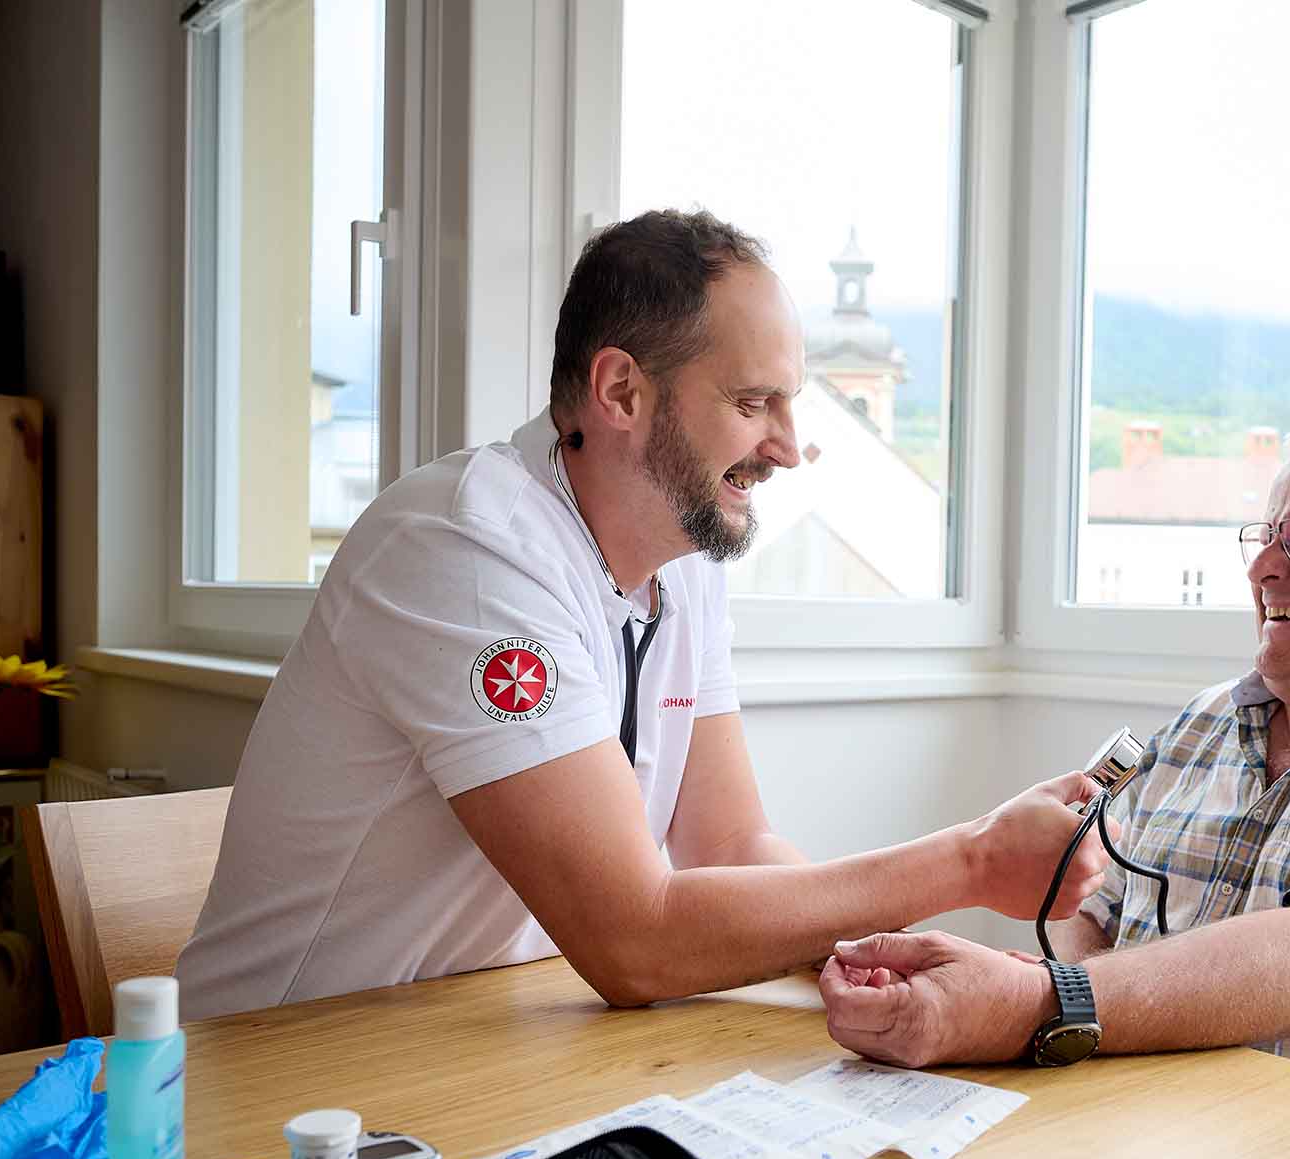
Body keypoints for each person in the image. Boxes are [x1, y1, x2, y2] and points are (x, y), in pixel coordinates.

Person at [177, 209, 1108, 1020]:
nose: (788, 447)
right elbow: (636, 941)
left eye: (791, 404)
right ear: (621, 390)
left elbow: (730, 845)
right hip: (285, 1072)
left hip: (488, 1030)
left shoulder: (686, 559)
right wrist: (970, 862)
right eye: (753, 403)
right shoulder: (463, 550)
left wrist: (878, 956)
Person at [821, 399, 1290, 1148]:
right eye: (1265, 537)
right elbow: (1086, 912)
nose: (1264, 567)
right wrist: (1074, 1007)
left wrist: (1039, 1006)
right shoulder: (1198, 729)